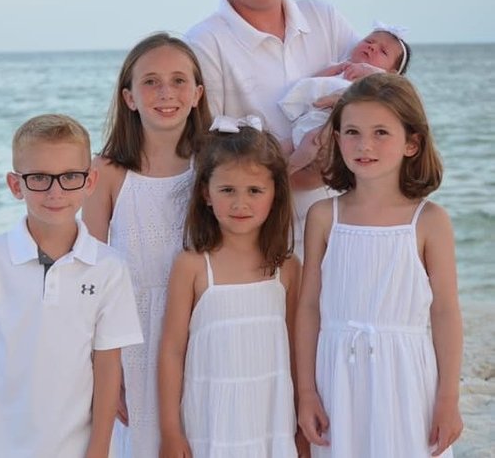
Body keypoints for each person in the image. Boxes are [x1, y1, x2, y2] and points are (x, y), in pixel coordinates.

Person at [0, 114, 143, 458]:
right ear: (15, 185)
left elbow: (108, 365)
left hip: (76, 447)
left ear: (90, 181)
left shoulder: (109, 267)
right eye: (39, 178)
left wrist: (99, 448)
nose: (55, 192)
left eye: (70, 177)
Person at [296, 74, 463, 457]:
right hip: (337, 377)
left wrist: (448, 397)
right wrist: (306, 392)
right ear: (337, 138)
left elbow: (445, 312)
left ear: (411, 143)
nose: (364, 145)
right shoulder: (324, 216)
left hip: (406, 377)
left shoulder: (429, 220)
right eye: (352, 132)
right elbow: (308, 308)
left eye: (381, 133)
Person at [185, 0, 361, 250]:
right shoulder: (203, 44)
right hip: (262, 240)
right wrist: (301, 171)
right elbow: (207, 154)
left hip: (346, 226)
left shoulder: (324, 18)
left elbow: (383, 92)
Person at [82, 33, 211, 457]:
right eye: (151, 82)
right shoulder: (107, 172)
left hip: (202, 324)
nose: (165, 92)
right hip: (132, 331)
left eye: (178, 81)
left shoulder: (212, 165)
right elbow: (91, 273)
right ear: (129, 98)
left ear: (197, 94)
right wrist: (103, 363)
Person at [158, 116, 301, 458]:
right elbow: (172, 351)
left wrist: (300, 424)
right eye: (227, 190)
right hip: (211, 422)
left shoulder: (287, 268)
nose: (240, 204)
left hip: (271, 420)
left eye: (254, 191)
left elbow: (298, 351)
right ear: (206, 194)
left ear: (275, 194)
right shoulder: (192, 266)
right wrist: (170, 431)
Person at [279, 25, 411, 173]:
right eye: (369, 41)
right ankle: (271, 172)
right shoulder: (341, 67)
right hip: (308, 120)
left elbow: (386, 89)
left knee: (312, 140)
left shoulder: (378, 81)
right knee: (281, 147)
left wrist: (367, 71)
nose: (372, 47)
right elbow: (314, 82)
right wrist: (335, 69)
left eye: (383, 51)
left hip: (327, 127)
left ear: (392, 73)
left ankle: (288, 171)